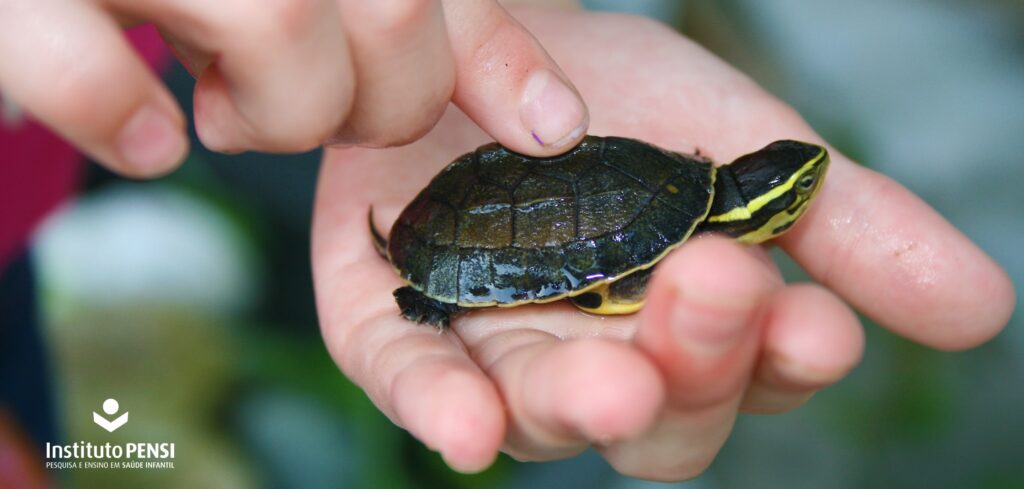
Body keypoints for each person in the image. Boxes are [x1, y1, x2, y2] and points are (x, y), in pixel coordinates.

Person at [0, 0, 1014, 482]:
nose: (795, 190)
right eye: (788, 190)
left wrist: (501, 24)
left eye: (786, 187)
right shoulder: (684, 208)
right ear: (754, 208)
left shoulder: (680, 195)